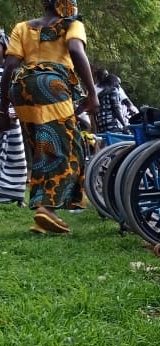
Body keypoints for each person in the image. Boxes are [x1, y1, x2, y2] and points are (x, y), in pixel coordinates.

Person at [0, 0, 98, 233]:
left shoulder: (22, 27)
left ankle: (45, 219)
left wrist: (3, 106)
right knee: (68, 146)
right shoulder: (72, 24)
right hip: (51, 85)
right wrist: (92, 93)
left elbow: (10, 64)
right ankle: (47, 209)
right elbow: (75, 50)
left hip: (21, 88)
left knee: (44, 147)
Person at [0, 29, 28, 206]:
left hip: (11, 121)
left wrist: (17, 111)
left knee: (16, 159)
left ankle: (17, 195)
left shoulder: (14, 72)